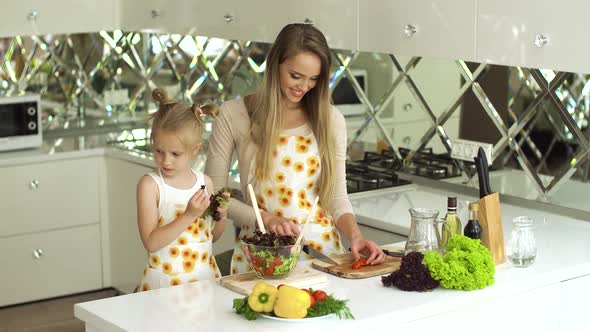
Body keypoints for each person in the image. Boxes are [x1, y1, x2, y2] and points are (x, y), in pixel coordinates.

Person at [205, 23, 385, 275]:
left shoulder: (331, 120)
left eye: (313, 79)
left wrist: (355, 235)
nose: (304, 87)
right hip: (261, 256)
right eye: (296, 76)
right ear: (275, 64)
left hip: (322, 259)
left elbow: (336, 196)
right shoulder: (234, 114)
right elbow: (214, 195)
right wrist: (265, 219)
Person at [137, 88, 229, 291]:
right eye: (159, 151)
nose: (165, 160)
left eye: (175, 154)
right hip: (166, 283)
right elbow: (151, 243)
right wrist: (188, 215)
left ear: (195, 149)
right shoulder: (151, 185)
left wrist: (221, 216)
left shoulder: (204, 182)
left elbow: (212, 236)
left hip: (204, 278)